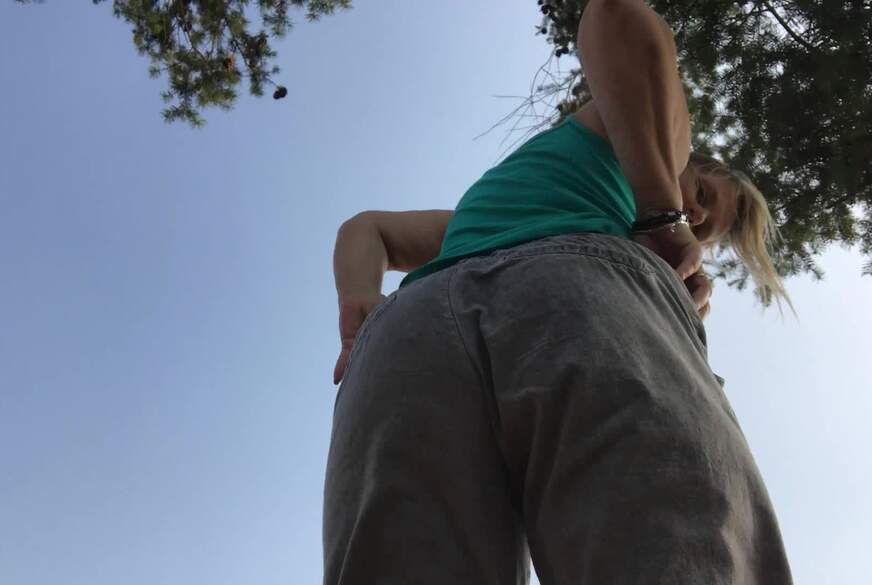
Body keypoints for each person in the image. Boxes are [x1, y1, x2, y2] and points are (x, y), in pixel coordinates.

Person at [324, 1, 794, 583]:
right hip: (576, 300)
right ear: (695, 161)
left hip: (409, 335)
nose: (692, 217)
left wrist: (361, 301)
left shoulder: (480, 218)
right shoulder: (655, 144)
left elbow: (367, 229)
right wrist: (661, 207)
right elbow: (613, 13)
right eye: (702, 196)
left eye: (702, 230)